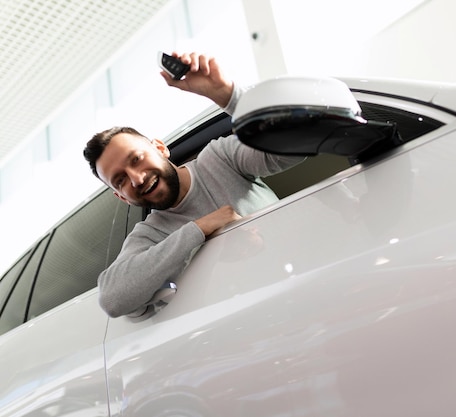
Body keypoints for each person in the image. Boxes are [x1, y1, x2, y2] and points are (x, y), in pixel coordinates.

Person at [83, 52, 304, 318]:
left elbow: (296, 144)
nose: (137, 178)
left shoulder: (220, 159)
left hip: (307, 281)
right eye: (121, 180)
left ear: (160, 148)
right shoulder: (151, 235)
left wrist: (229, 96)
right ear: (122, 197)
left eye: (137, 159)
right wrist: (200, 228)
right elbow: (112, 299)